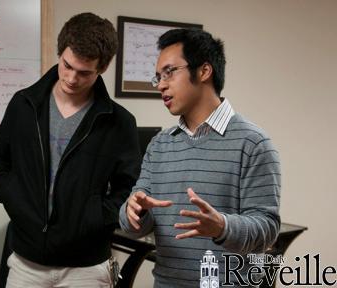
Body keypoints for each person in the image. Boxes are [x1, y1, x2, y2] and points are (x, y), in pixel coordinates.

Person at [0, 13, 141, 287]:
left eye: (84, 73)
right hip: (26, 265)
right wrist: (14, 198)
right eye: (67, 65)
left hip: (87, 269)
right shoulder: (24, 105)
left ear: (101, 68)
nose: (71, 78)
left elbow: (128, 187)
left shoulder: (120, 122)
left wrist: (95, 219)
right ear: (60, 53)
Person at [119, 28, 281, 287]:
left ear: (204, 71)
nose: (161, 84)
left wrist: (222, 227)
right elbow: (135, 225)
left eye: (170, 72)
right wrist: (133, 211)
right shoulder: (159, 145)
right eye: (158, 77)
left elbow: (268, 229)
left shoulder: (253, 143)